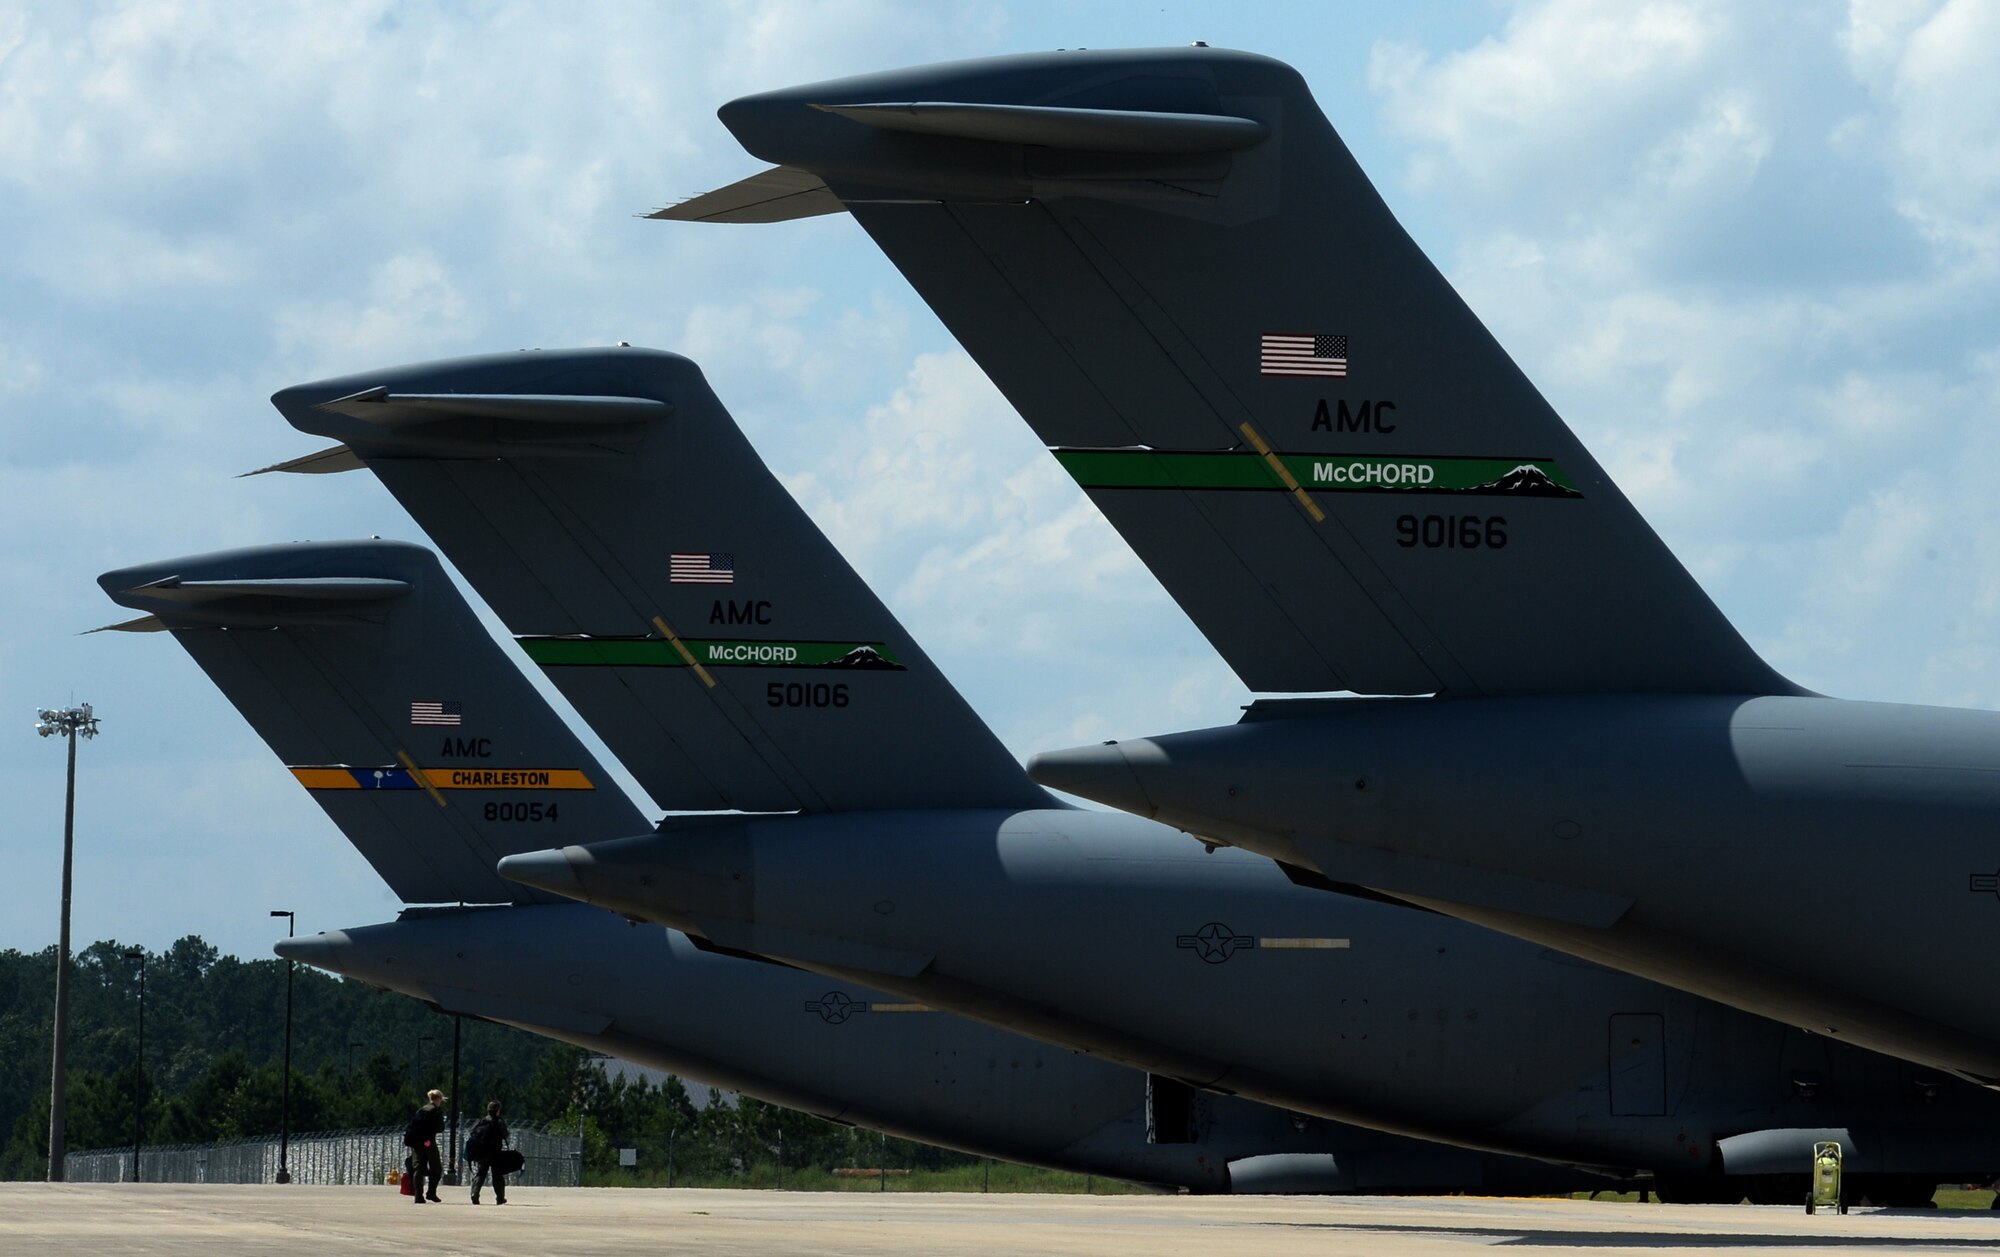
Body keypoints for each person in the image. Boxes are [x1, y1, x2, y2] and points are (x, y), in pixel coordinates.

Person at [404, 1089, 447, 1204]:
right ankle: (431, 1193)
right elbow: (440, 1128)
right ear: (438, 1099)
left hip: (417, 1143)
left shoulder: (421, 1110)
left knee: (418, 1168)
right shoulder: (436, 1111)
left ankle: (418, 1195)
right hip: (428, 1142)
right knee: (436, 1168)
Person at [466, 1100, 511, 1205]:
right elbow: (505, 1134)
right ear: (498, 1110)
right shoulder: (499, 1121)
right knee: (497, 1175)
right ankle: (500, 1198)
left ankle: (474, 1194)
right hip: (495, 1152)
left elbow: (473, 1133)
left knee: (480, 1174)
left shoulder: (482, 1121)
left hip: (482, 1152)